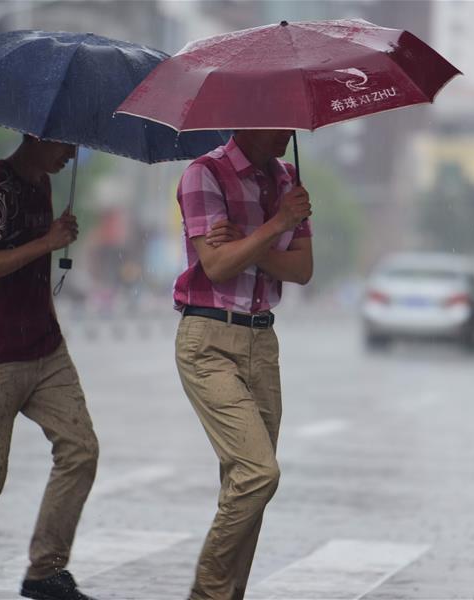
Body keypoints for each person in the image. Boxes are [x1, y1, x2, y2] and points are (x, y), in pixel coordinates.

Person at [0, 135, 99, 600]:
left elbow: (34, 262)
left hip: (45, 351)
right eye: (65, 145)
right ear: (36, 134)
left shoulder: (43, 186)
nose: (71, 155)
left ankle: (45, 571)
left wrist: (51, 252)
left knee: (81, 449)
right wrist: (47, 241)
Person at [173, 130, 314, 600]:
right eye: (280, 119)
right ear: (251, 115)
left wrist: (251, 245)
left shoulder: (289, 180)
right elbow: (216, 267)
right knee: (259, 473)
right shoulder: (204, 174)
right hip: (208, 339)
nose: (290, 131)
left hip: (262, 340)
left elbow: (302, 270)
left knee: (246, 489)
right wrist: (276, 227)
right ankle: (207, 591)